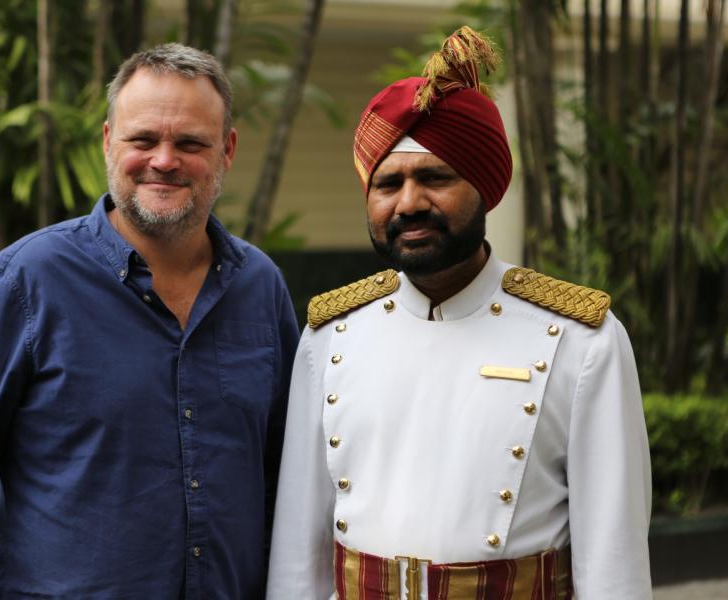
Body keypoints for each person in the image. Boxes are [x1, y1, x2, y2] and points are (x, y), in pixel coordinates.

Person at [0, 43, 300, 599]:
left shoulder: (260, 287)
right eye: (143, 140)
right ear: (109, 141)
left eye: (190, 143)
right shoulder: (26, 282)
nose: (164, 160)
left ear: (227, 150)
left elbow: (287, 482)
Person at [266, 27, 652, 600]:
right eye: (388, 183)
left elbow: (614, 562)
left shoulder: (579, 339)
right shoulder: (331, 333)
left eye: (435, 177)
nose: (409, 202)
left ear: (485, 187)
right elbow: (299, 551)